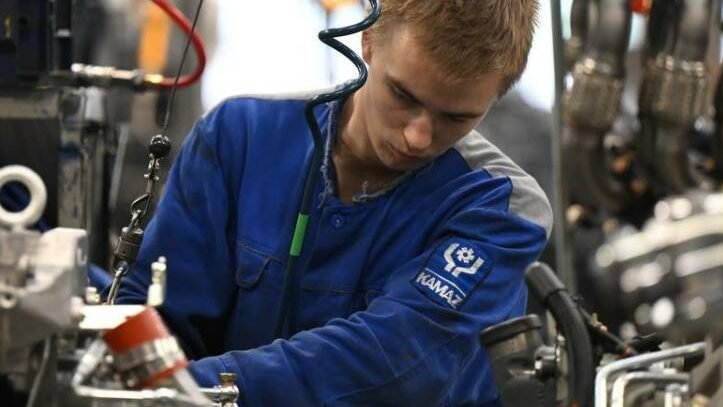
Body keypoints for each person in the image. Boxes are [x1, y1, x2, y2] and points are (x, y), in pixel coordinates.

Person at [117, 0, 549, 404]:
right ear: (368, 41)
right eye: (403, 95)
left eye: (456, 117)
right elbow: (157, 317)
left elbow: (396, 362)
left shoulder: (503, 208)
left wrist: (182, 390)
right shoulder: (239, 137)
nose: (418, 137)